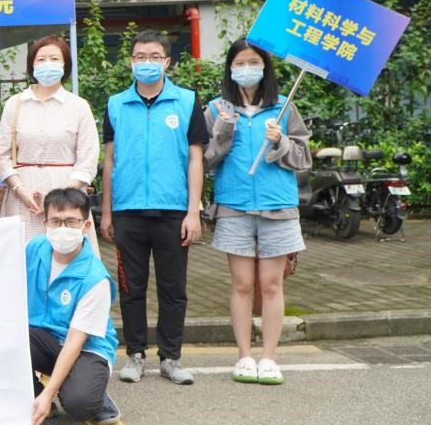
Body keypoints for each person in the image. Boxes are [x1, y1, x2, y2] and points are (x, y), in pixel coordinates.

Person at [100, 30, 208, 387]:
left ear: (167, 61)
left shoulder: (187, 101)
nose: (146, 62)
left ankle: (171, 357)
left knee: (173, 289)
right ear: (131, 61)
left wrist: (193, 212)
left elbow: (195, 159)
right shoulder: (116, 104)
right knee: (131, 288)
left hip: (173, 210)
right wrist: (106, 211)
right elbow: (109, 160)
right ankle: (135, 355)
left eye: (154, 56)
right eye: (140, 56)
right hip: (128, 210)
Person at [205, 39, 310, 386]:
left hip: (278, 207)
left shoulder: (284, 108)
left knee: (271, 284)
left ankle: (269, 357)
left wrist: (281, 141)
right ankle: (244, 356)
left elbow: (303, 159)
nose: (246, 68)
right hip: (233, 207)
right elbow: (204, 160)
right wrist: (223, 133)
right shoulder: (216, 109)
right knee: (242, 284)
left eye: (253, 62)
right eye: (240, 62)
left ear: (265, 67)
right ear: (230, 68)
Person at [28, 188, 121, 425]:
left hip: (85, 348)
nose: (62, 229)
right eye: (55, 221)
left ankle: (93, 389)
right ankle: (35, 395)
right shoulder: (34, 249)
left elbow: (74, 343)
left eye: (71, 222)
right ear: (45, 223)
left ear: (86, 226)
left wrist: (50, 392)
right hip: (43, 338)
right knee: (6, 338)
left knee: (80, 404)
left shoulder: (95, 278)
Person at [0, 36, 100, 240]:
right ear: (32, 65)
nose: (48, 64)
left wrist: (59, 197)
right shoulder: (15, 104)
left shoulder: (78, 106)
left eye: (54, 59)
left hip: (67, 197)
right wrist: (20, 190)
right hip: (22, 194)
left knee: (66, 252)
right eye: (41, 59)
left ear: (65, 65)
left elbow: (88, 159)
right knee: (23, 253)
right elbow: (1, 155)